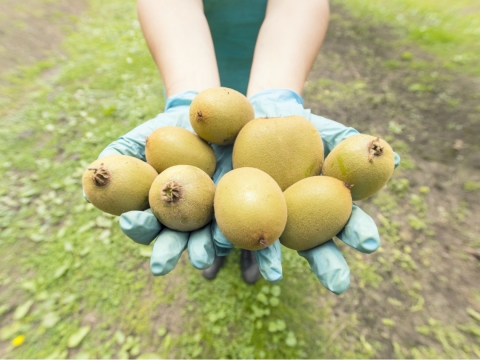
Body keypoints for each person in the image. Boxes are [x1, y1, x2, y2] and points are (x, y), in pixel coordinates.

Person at [94, 0, 400, 292]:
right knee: (223, 208)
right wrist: (188, 92)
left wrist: (276, 90)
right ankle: (227, 241)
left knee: (252, 216)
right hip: (190, 57)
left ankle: (250, 241)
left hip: (281, 48)